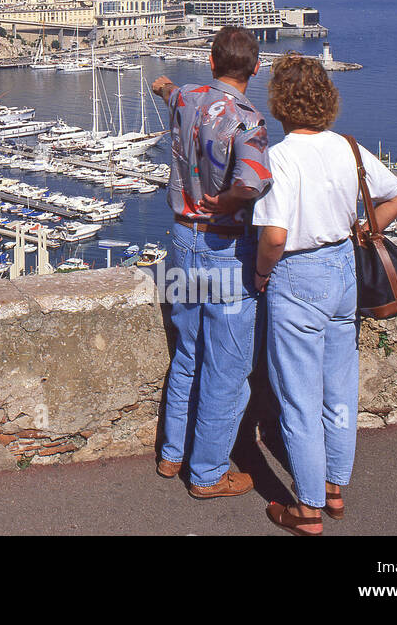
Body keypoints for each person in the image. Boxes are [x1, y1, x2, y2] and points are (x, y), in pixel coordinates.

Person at [252, 54, 397, 536]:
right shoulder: (348, 147)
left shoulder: (279, 157)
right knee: (339, 389)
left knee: (299, 397)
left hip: (298, 275)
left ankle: (308, 509)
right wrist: (364, 231)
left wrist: (261, 275)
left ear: (280, 102)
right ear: (327, 100)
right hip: (344, 271)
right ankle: (335, 488)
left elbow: (275, 236)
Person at [150, 25, 272, 499]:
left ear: (211, 61)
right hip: (223, 249)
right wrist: (227, 201)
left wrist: (161, 85)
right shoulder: (248, 122)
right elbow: (252, 181)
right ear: (256, 69)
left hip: (182, 242)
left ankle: (172, 453)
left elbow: (164, 87)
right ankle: (207, 474)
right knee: (227, 365)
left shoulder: (188, 98)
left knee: (187, 349)